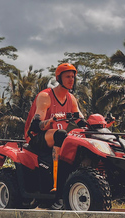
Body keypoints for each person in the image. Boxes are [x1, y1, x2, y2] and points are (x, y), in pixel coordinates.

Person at [24, 63, 85, 191]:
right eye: (67, 76)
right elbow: (36, 126)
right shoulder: (45, 96)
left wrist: (102, 124)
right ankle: (56, 186)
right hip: (36, 136)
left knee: (79, 139)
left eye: (73, 77)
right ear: (59, 79)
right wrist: (51, 120)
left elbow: (81, 122)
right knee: (61, 135)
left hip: (54, 136)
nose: (71, 80)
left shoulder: (71, 98)